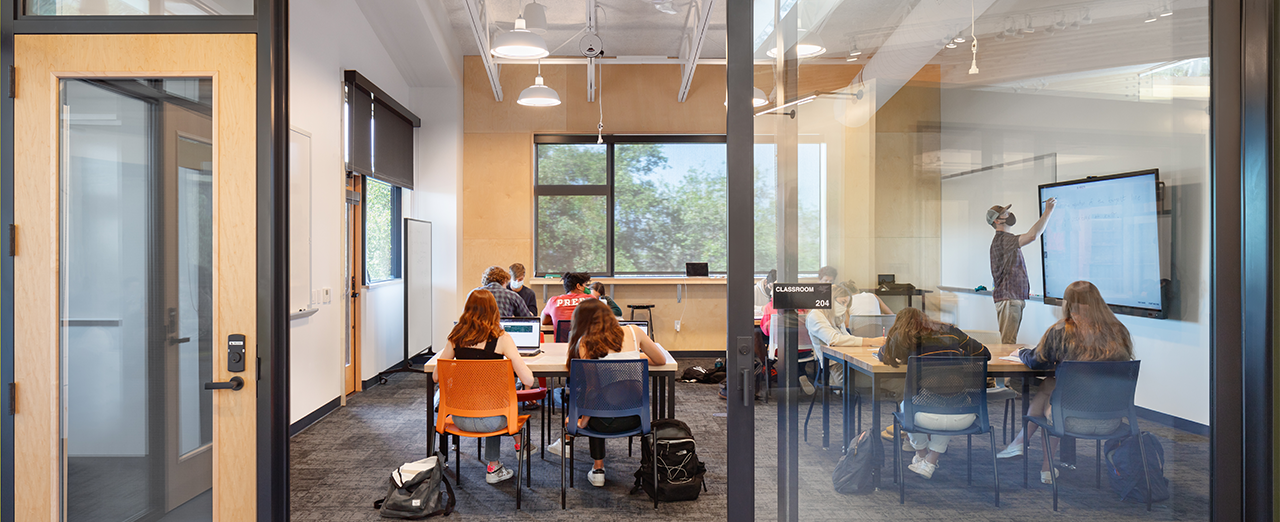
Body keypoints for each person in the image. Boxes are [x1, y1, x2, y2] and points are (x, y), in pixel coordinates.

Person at [997, 280, 1135, 484]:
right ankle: (1021, 444)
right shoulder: (1119, 331)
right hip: (1111, 421)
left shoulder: (1062, 332)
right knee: (1050, 385)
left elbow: (1036, 362)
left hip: (1070, 419)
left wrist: (1022, 353)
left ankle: (1041, 462)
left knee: (1052, 397)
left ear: (1068, 304)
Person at [546, 299, 667, 487]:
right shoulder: (635, 332)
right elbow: (660, 360)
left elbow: (592, 390)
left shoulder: (585, 343)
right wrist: (637, 356)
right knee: (606, 397)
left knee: (593, 401)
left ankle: (597, 468)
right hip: (637, 418)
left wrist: (580, 420)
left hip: (601, 423)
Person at [433, 290, 537, 484]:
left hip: (459, 418)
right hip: (492, 421)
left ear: (467, 310)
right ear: (494, 311)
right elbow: (529, 381)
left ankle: (499, 461)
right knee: (498, 403)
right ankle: (496, 464)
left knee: (490, 402)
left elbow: (436, 376)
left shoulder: (455, 338)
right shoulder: (502, 339)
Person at [878, 307, 991, 479]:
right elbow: (984, 354)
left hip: (924, 415)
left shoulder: (904, 338)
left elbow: (884, 355)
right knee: (946, 401)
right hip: (964, 416)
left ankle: (922, 454)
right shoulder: (951, 331)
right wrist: (958, 354)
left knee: (907, 403)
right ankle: (930, 460)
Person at [988, 199, 1056, 344]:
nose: (1009, 214)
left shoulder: (1005, 240)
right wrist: (1048, 211)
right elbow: (1032, 236)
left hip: (1011, 298)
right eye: (1005, 213)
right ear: (997, 221)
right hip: (1009, 299)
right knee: (1008, 345)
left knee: (1009, 343)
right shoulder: (1002, 240)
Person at [805, 285, 886, 391]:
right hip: (836, 366)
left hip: (846, 361)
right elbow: (834, 339)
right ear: (831, 299)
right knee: (887, 379)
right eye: (842, 302)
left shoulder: (836, 316)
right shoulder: (815, 315)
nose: (844, 307)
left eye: (846, 304)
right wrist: (870, 341)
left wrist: (870, 344)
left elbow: (846, 338)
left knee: (885, 374)